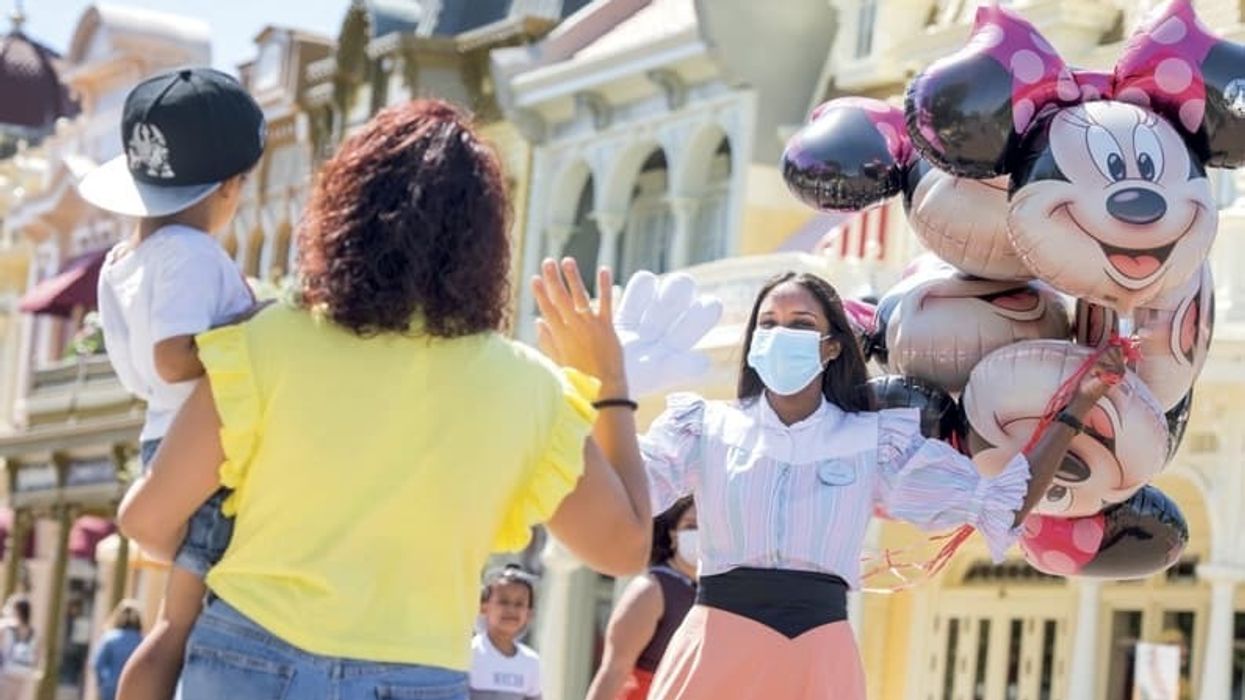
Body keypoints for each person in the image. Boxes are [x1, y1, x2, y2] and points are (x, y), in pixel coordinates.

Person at [115, 99, 653, 699]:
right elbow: (626, 549)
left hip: (249, 658)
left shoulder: (267, 340)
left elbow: (146, 519)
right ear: (487, 240)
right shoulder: (532, 389)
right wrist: (608, 384)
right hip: (416, 679)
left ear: (344, 211)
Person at [533, 268, 1126, 700]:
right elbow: (616, 500)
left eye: (800, 322)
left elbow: (1006, 503)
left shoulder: (876, 441)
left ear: (832, 344)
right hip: (716, 645)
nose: (780, 333)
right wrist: (600, 393)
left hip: (818, 651)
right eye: (768, 323)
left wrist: (1076, 408)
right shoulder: (704, 427)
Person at [78, 66, 265, 700]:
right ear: (229, 188)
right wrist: (255, 328)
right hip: (201, 450)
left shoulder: (122, 261)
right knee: (177, 625)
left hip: (163, 437)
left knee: (171, 618)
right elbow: (174, 358)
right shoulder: (189, 251)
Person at [587, 498, 697, 700]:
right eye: (691, 526)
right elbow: (614, 669)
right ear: (673, 534)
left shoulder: (710, 594)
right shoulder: (651, 589)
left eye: (706, 528)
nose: (700, 534)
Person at [469, 565, 542, 700]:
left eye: (519, 604)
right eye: (503, 602)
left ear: (529, 614)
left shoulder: (531, 661)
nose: (511, 610)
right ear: (483, 607)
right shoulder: (470, 653)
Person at [93, 600, 144, 700]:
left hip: (110, 687)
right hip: (133, 688)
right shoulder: (142, 641)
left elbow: (98, 664)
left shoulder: (109, 638)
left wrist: (102, 683)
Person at [0, 595, 36, 671]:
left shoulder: (5, 628)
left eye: (9, 607)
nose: (5, 610)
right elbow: (37, 660)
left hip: (6, 675)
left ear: (17, 611)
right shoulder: (34, 634)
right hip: (24, 675)